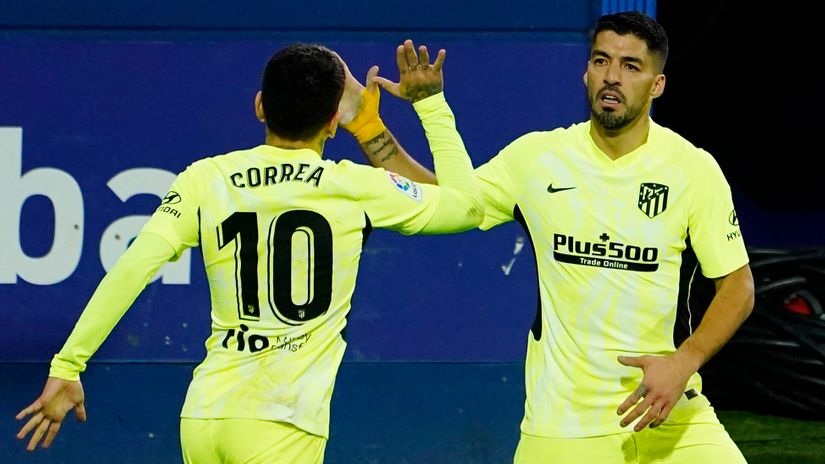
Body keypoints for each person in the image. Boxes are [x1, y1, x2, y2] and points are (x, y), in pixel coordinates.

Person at [15, 42, 483, 463]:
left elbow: (133, 268)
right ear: (331, 124)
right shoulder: (355, 186)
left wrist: (68, 365)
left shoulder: (205, 177)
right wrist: (403, 114)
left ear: (260, 107)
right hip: (282, 422)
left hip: (204, 418)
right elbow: (466, 206)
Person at [364, 12, 755, 463]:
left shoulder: (693, 169)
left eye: (631, 66)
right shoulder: (537, 158)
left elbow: (738, 287)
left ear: (657, 84)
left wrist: (682, 364)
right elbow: (446, 200)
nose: (612, 77)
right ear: (586, 72)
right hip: (563, 427)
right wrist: (372, 126)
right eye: (601, 61)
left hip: (669, 414)